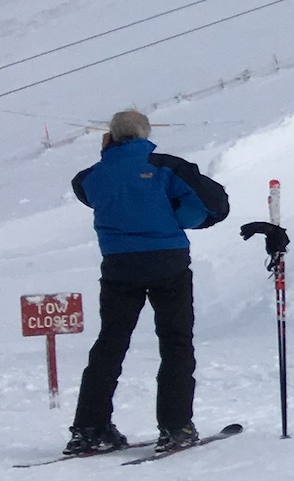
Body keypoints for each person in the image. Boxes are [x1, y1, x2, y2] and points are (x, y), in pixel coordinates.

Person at [64, 109, 229, 455]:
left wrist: (109, 156)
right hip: (168, 261)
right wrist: (183, 216)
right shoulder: (166, 167)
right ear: (145, 134)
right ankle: (176, 426)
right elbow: (215, 202)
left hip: (119, 265)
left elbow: (86, 191)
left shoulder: (91, 176)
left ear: (110, 136)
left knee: (110, 342)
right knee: (176, 342)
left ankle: (89, 428)